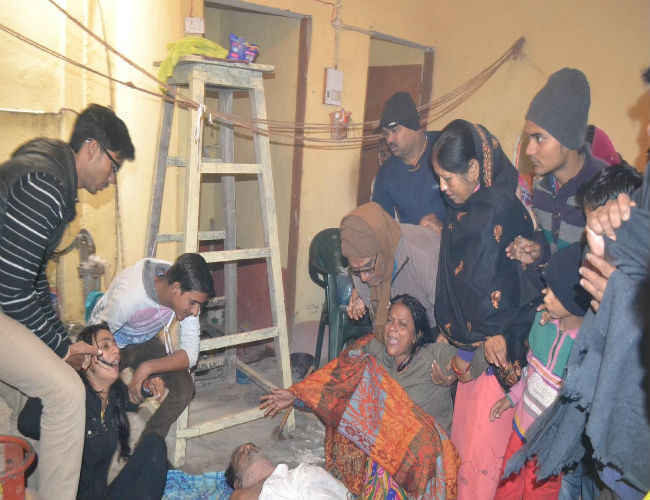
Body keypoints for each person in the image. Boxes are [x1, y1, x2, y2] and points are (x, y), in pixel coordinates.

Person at [0, 104, 134, 499]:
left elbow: (34, 278)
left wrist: (61, 339)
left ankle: (33, 479)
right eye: (113, 166)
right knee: (67, 393)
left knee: (38, 380)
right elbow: (13, 290)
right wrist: (61, 347)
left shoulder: (49, 166)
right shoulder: (45, 184)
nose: (111, 179)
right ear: (91, 148)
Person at [504, 161, 650, 499]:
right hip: (601, 459)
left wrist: (620, 306)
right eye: (589, 230)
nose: (592, 248)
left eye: (603, 233)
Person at [260, 295, 460, 498]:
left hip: (423, 456)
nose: (392, 329)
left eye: (402, 325)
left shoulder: (434, 355)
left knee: (385, 460)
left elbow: (466, 359)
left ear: (416, 335)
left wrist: (453, 375)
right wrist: (296, 396)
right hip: (390, 451)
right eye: (390, 320)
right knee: (352, 413)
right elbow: (337, 380)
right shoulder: (377, 350)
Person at [430, 119, 536, 500]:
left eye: (448, 178)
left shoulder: (504, 212)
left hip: (498, 357)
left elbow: (525, 288)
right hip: (469, 357)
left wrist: (502, 333)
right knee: (462, 455)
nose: (442, 187)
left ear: (474, 170)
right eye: (439, 178)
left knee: (482, 464)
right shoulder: (459, 214)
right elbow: (454, 282)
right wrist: (452, 340)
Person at [18, 323, 168, 500]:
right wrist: (62, 370)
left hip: (103, 495)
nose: (116, 350)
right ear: (87, 359)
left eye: (114, 345)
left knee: (154, 445)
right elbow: (26, 424)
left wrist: (146, 388)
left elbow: (129, 400)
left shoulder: (113, 394)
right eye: (106, 346)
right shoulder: (71, 398)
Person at [491, 243, 590, 499]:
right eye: (547, 288)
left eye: (555, 292)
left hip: (550, 445)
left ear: (576, 299)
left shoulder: (586, 349)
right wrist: (513, 397)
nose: (545, 296)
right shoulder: (542, 323)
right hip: (521, 428)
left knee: (540, 493)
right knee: (508, 487)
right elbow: (530, 370)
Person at [88, 253, 214, 438]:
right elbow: (97, 343)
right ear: (176, 288)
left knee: (184, 389)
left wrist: (148, 368)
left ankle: (149, 443)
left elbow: (190, 355)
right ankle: (95, 434)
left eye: (199, 305)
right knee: (103, 392)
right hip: (111, 342)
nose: (196, 311)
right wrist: (117, 381)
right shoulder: (128, 297)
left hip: (144, 340)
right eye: (193, 303)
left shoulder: (187, 286)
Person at [507, 68, 607, 268]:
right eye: (529, 138)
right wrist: (538, 251)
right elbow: (551, 246)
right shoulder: (543, 186)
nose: (529, 150)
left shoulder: (604, 188)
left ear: (568, 138)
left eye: (539, 138)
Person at [340, 201, 440, 341]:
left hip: (436, 324)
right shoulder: (360, 262)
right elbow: (379, 321)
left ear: (383, 251)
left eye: (368, 268)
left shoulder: (422, 255)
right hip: (399, 330)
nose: (363, 278)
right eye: (356, 271)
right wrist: (361, 294)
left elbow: (449, 314)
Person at [371, 91, 446, 229]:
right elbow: (382, 227)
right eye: (386, 134)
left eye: (395, 130)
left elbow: (472, 205)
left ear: (414, 126)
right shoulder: (386, 174)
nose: (389, 140)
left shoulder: (444, 147)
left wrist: (446, 228)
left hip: (456, 238)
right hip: (413, 240)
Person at [225, 442, 349, 499]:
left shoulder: (303, 473)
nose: (247, 447)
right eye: (240, 454)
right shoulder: (241, 495)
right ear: (238, 484)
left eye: (252, 446)